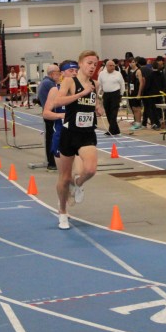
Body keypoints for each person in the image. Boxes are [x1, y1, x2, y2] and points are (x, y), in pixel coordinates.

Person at [53, 51, 105, 230]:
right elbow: (58, 101)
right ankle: (62, 212)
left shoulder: (95, 84)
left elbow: (95, 102)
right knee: (64, 177)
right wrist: (81, 93)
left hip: (87, 133)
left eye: (95, 64)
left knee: (90, 169)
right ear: (81, 64)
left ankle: (78, 184)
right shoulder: (69, 81)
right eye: (89, 63)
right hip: (69, 134)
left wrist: (99, 108)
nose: (92, 67)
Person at [37, 63, 60, 170]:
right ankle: (52, 162)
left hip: (48, 113)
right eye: (58, 73)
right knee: (52, 138)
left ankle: (52, 161)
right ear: (52, 73)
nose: (59, 75)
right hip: (51, 114)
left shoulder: (44, 82)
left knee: (50, 137)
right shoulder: (49, 84)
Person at [99, 59, 125, 136]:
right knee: (108, 112)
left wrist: (121, 94)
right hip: (106, 95)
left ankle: (111, 130)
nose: (112, 67)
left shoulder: (118, 74)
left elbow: (122, 84)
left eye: (113, 65)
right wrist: (98, 94)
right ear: (106, 66)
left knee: (114, 113)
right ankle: (116, 130)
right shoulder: (102, 74)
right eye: (110, 65)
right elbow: (99, 84)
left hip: (115, 94)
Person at [126, 58, 145, 131]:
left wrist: (139, 94)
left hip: (136, 92)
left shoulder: (138, 71)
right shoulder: (129, 70)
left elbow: (141, 83)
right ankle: (136, 121)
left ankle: (138, 123)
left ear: (136, 62)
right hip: (131, 92)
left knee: (137, 108)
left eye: (133, 62)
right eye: (130, 62)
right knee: (133, 108)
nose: (131, 64)